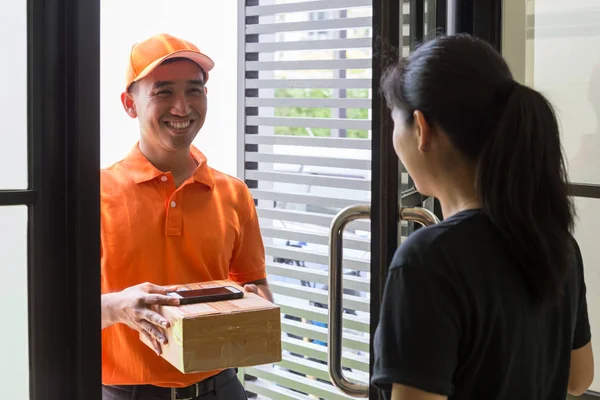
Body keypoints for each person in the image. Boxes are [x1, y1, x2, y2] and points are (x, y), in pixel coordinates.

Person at [371, 34, 594, 400]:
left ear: (422, 129)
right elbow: (579, 377)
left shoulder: (427, 260)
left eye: (395, 123)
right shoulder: (557, 243)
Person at [100, 33, 273, 400]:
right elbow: (52, 314)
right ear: (129, 104)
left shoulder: (233, 193)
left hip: (221, 389)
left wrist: (252, 302)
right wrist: (118, 308)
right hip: (123, 393)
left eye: (194, 90)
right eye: (163, 92)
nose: (182, 107)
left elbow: (255, 287)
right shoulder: (93, 195)